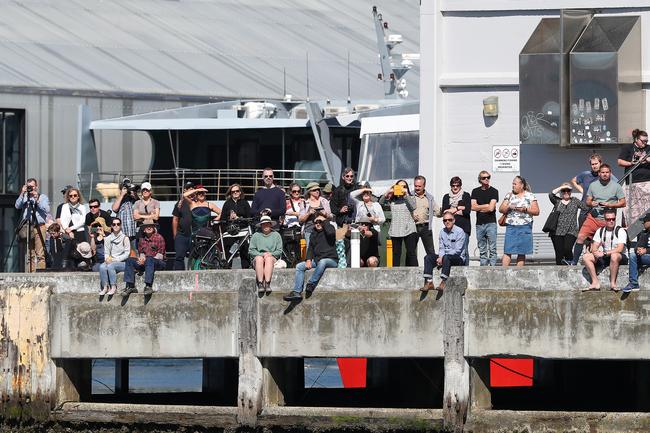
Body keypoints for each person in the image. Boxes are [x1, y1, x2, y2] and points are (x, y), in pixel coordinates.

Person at [573, 164, 626, 265]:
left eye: (607, 172)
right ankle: (573, 262)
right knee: (580, 237)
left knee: (602, 244)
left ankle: (600, 262)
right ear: (599, 173)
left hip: (608, 220)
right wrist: (592, 203)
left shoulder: (616, 186)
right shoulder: (593, 185)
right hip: (593, 217)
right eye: (603, 172)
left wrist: (610, 205)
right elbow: (588, 201)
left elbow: (623, 203)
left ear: (610, 173)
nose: (605, 174)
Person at [283, 214, 338, 301]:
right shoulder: (314, 233)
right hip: (317, 261)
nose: (318, 224)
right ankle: (297, 292)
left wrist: (325, 220)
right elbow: (310, 248)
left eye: (320, 222)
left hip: (331, 260)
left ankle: (311, 284)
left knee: (322, 262)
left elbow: (331, 233)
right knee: (299, 266)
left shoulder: (329, 229)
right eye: (316, 222)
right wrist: (308, 259)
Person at [582, 209, 628, 292]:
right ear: (605, 220)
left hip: (620, 256)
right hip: (606, 256)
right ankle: (595, 282)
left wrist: (604, 253)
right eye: (608, 219)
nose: (611, 221)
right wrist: (595, 252)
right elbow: (594, 246)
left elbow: (620, 249)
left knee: (614, 255)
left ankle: (613, 284)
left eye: (613, 219)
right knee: (586, 257)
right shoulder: (600, 231)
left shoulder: (620, 231)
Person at [498, 176, 540, 267]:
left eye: (515, 184)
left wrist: (525, 209)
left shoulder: (530, 196)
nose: (513, 185)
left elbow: (536, 211)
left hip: (525, 226)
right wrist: (508, 207)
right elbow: (501, 209)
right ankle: (503, 273)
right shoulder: (509, 194)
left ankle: (518, 273)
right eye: (512, 183)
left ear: (521, 185)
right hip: (511, 226)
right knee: (508, 250)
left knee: (522, 251)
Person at [421, 211, 466, 292]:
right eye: (445, 220)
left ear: (454, 220)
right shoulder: (442, 232)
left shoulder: (460, 231)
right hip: (445, 257)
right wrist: (440, 257)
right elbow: (441, 248)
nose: (447, 222)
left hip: (458, 258)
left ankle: (444, 281)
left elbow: (457, 250)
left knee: (446, 257)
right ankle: (429, 282)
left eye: (449, 220)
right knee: (428, 257)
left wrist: (443, 257)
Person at [547, 183, 590, 265]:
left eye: (568, 190)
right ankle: (560, 273)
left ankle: (571, 265)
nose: (566, 192)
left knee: (567, 249)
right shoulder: (557, 201)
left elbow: (586, 207)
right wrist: (562, 187)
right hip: (557, 231)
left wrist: (587, 195)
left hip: (571, 230)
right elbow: (551, 194)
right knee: (559, 253)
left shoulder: (575, 200)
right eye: (564, 191)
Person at [122, 219, 166, 296]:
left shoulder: (159, 237)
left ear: (154, 228)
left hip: (158, 262)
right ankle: (130, 286)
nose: (149, 228)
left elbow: (160, 255)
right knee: (129, 260)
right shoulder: (141, 240)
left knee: (149, 258)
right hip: (146, 262)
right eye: (146, 227)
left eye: (151, 226)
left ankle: (148, 286)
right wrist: (141, 259)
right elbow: (141, 253)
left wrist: (145, 261)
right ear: (144, 230)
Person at [15, 178, 50, 272]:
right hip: (28, 226)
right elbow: (17, 206)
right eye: (28, 186)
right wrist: (22, 193)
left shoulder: (42, 197)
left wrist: (37, 199)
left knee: (40, 253)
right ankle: (30, 274)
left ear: (36, 187)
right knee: (30, 254)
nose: (30, 188)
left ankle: (41, 275)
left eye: (32, 186)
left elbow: (47, 210)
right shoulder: (25, 197)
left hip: (39, 226)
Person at [380, 180, 418, 267]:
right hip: (396, 229)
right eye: (399, 186)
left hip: (409, 228)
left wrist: (406, 195)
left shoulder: (410, 197)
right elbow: (381, 202)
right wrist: (388, 192)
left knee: (411, 252)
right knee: (396, 253)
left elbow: (414, 207)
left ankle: (416, 273)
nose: (402, 188)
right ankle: (395, 274)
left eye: (404, 186)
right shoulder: (392, 200)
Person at [571, 153, 616, 224]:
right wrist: (583, 191)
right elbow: (573, 181)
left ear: (601, 163)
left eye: (596, 163)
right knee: (582, 233)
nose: (594, 166)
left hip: (599, 211)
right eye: (592, 164)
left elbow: (617, 185)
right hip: (585, 209)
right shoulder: (585, 174)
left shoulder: (606, 175)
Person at [617, 128, 650, 225]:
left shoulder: (649, 148)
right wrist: (631, 163)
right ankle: (635, 232)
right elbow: (620, 162)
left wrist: (647, 159)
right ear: (636, 139)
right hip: (632, 182)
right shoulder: (628, 148)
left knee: (647, 209)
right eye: (643, 141)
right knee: (635, 210)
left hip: (647, 182)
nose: (645, 143)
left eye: (646, 141)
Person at [219, 183, 252, 268]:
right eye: (233, 191)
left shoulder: (245, 203)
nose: (235, 193)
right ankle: (227, 270)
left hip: (242, 230)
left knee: (244, 253)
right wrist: (229, 219)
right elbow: (222, 219)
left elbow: (249, 218)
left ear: (240, 192)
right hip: (230, 230)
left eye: (237, 191)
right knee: (229, 253)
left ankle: (245, 271)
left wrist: (238, 218)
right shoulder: (227, 204)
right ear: (230, 193)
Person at [249, 215, 283, 294]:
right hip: (258, 257)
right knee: (259, 259)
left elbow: (279, 251)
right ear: (261, 225)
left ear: (271, 224)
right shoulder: (255, 235)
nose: (266, 225)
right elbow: (251, 250)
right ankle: (260, 283)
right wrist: (262, 254)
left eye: (268, 223)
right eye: (264, 224)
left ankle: (267, 283)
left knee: (269, 259)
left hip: (271, 257)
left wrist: (270, 254)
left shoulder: (276, 235)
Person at [471, 171, 499, 266]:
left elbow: (491, 208)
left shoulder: (494, 191)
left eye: (488, 177)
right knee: (482, 249)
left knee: (492, 249)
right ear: (480, 180)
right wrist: (486, 205)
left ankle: (493, 269)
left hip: (491, 223)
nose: (486, 179)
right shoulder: (475, 191)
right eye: (484, 178)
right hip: (479, 224)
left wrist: (480, 207)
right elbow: (473, 207)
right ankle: (483, 269)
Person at [442, 176, 471, 264]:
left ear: (460, 186)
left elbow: (466, 211)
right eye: (453, 185)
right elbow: (444, 212)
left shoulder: (466, 195)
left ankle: (466, 271)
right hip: (449, 229)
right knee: (450, 250)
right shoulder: (446, 197)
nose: (455, 187)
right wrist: (458, 208)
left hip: (464, 227)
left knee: (464, 250)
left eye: (457, 185)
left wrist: (451, 210)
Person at [98, 217, 131, 296]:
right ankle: (105, 287)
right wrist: (107, 259)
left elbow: (127, 253)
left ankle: (113, 286)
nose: (116, 226)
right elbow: (106, 252)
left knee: (110, 266)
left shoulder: (125, 238)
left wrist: (115, 260)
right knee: (102, 267)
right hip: (111, 260)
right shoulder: (108, 238)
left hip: (123, 262)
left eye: (118, 224)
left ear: (121, 226)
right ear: (111, 226)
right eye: (114, 224)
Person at [299, 182, 332, 247]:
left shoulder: (324, 201)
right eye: (314, 190)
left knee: (323, 250)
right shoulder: (305, 203)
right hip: (309, 230)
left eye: (318, 189)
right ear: (309, 192)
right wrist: (308, 213)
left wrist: (325, 214)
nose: (317, 191)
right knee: (309, 252)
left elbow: (331, 217)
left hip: (323, 230)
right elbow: (300, 220)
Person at [623, 212, 650, 293]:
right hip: (647, 258)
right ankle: (634, 283)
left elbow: (646, 250)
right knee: (633, 255)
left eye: (644, 221)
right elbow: (637, 246)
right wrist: (638, 249)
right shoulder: (645, 233)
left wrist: (646, 250)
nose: (643, 223)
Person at [412, 175, 438, 256]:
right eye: (415, 186)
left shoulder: (429, 197)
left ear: (424, 186)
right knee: (411, 252)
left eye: (419, 186)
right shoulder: (409, 196)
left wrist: (446, 211)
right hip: (413, 227)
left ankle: (433, 268)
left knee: (430, 251)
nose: (417, 188)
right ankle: (409, 269)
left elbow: (437, 211)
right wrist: (411, 215)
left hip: (426, 227)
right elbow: (405, 210)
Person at [172, 181, 195, 270]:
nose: (191, 190)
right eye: (189, 188)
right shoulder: (179, 203)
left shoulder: (197, 202)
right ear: (185, 190)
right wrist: (175, 235)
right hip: (181, 235)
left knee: (195, 257)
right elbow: (175, 219)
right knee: (179, 257)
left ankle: (195, 275)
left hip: (194, 235)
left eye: (192, 188)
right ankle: (179, 277)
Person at [111, 178, 138, 248]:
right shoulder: (119, 199)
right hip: (122, 235)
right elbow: (114, 208)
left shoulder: (133, 200)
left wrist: (133, 193)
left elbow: (140, 204)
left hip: (133, 234)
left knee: (134, 255)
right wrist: (122, 194)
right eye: (125, 188)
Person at [283, 182, 305, 264]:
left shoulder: (304, 202)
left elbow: (305, 214)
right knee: (288, 252)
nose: (296, 193)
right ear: (290, 192)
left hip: (299, 228)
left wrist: (294, 213)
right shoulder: (286, 202)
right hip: (288, 228)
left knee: (299, 252)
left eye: (298, 191)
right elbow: (284, 213)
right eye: (294, 191)